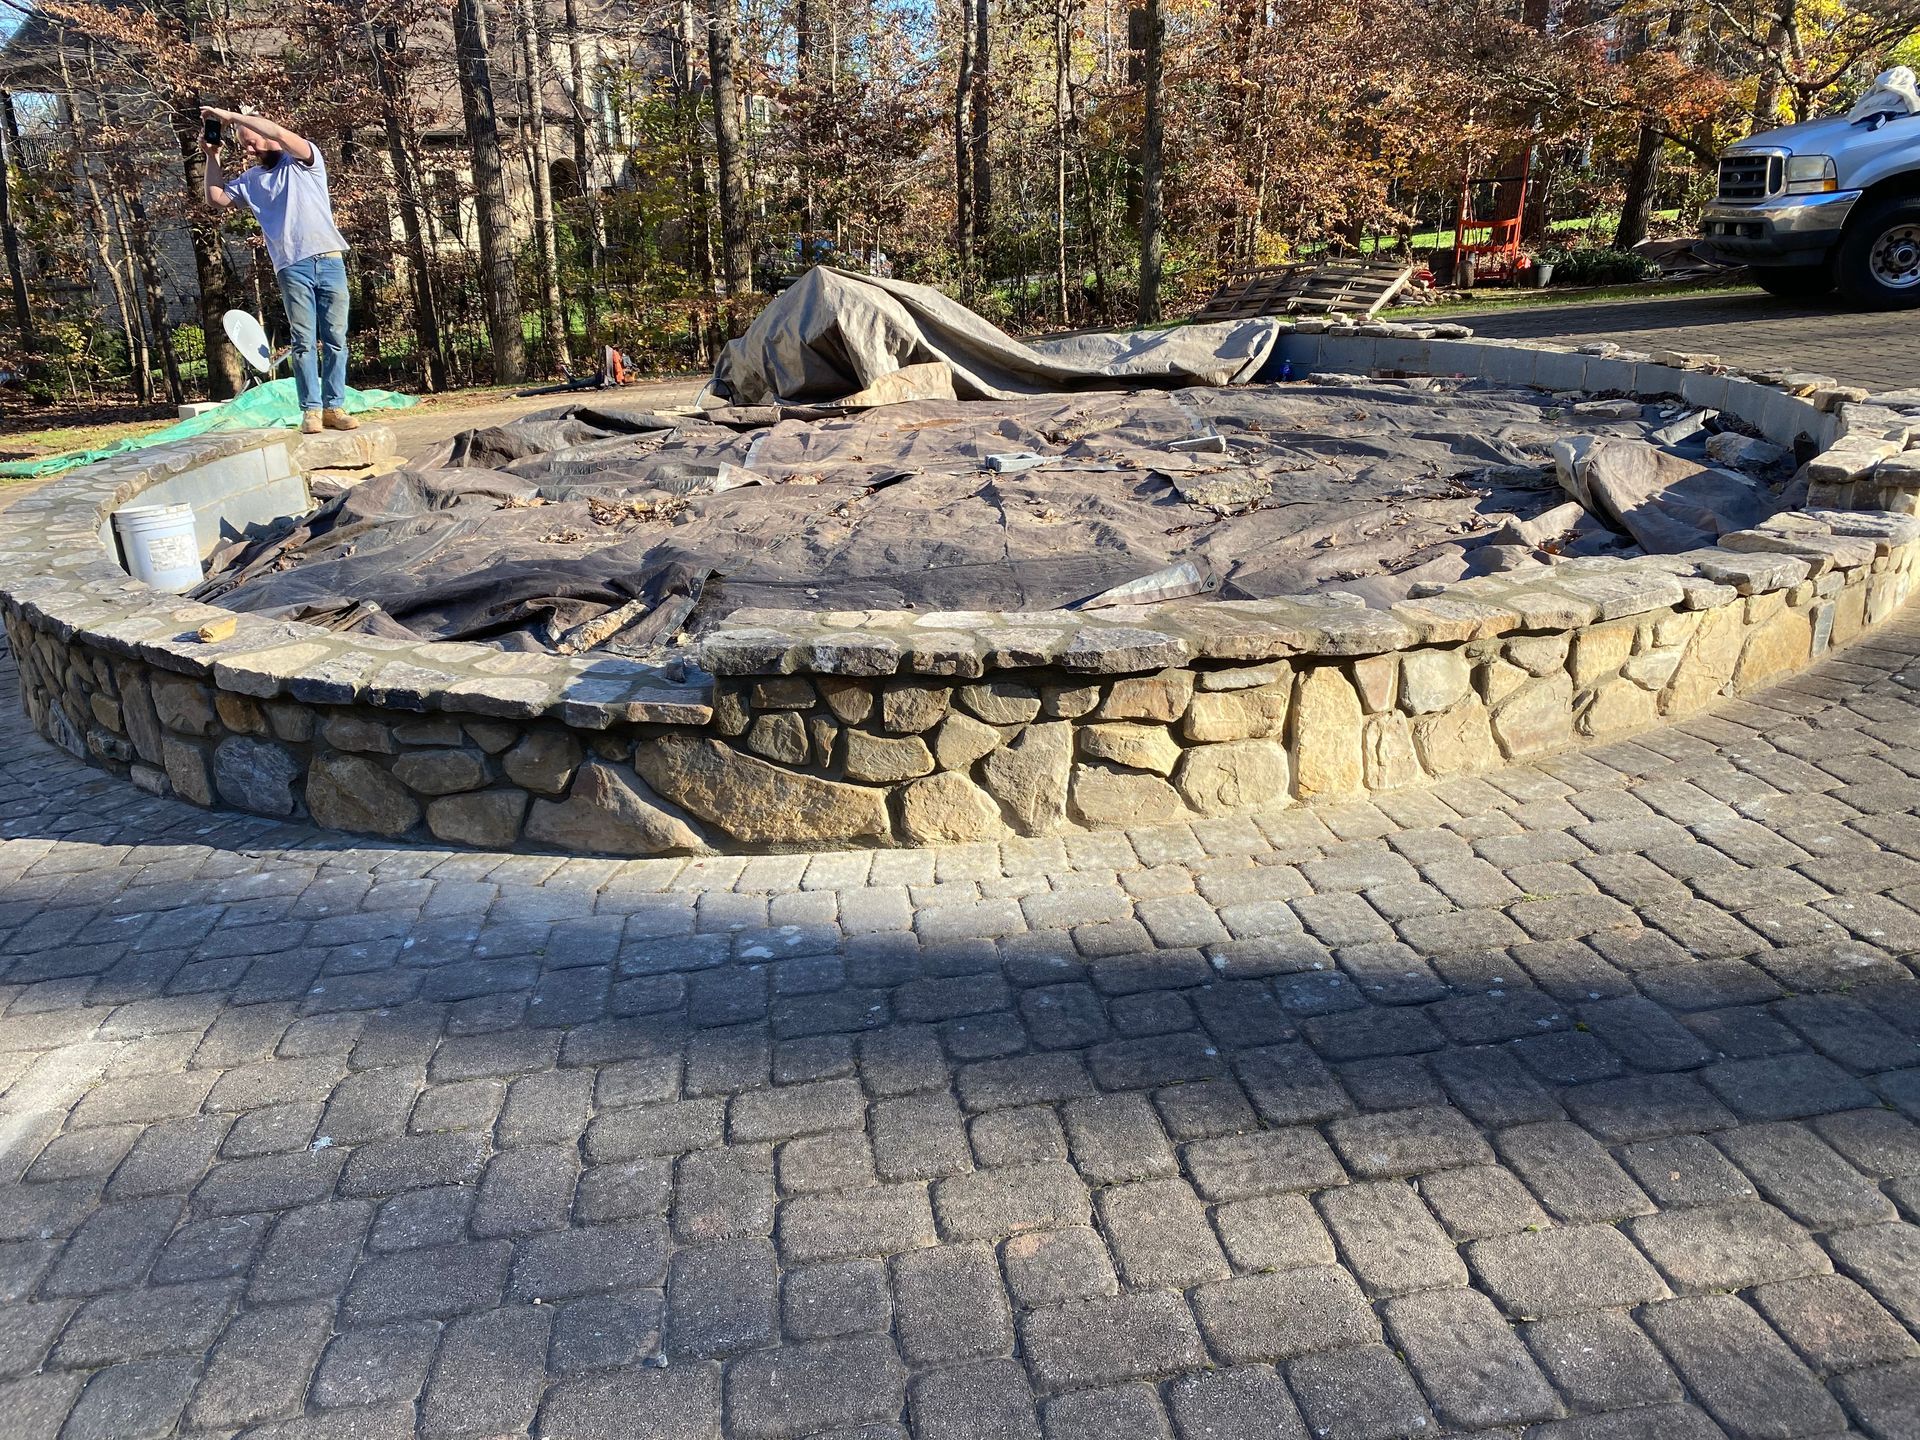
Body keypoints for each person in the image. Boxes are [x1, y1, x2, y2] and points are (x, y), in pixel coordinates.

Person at [199, 107, 358, 435]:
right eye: (243, 144)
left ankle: (334, 407)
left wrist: (233, 117)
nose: (249, 149)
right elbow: (216, 198)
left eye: (251, 141)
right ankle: (311, 411)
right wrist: (211, 157)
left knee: (335, 338)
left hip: (329, 259)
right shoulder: (251, 180)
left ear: (265, 133)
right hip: (292, 266)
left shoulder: (304, 161)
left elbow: (281, 134)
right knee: (303, 340)